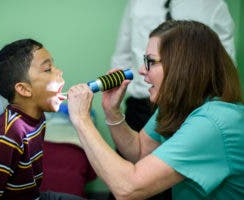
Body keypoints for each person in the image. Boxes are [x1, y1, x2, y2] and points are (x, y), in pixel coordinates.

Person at [67, 20, 244, 199]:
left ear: (182, 67)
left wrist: (82, 120)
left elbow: (128, 188)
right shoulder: (180, 104)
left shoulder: (212, 123)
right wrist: (112, 111)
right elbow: (140, 151)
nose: (142, 70)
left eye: (150, 61)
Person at [0, 39, 84, 200]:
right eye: (48, 69)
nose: (59, 72)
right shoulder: (8, 135)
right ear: (23, 89)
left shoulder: (37, 117)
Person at [110, 0, 236, 132]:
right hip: (141, 104)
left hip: (189, 107)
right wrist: (112, 108)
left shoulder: (214, 5)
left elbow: (224, 65)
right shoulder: (137, 3)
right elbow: (122, 55)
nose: (142, 70)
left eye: (152, 62)